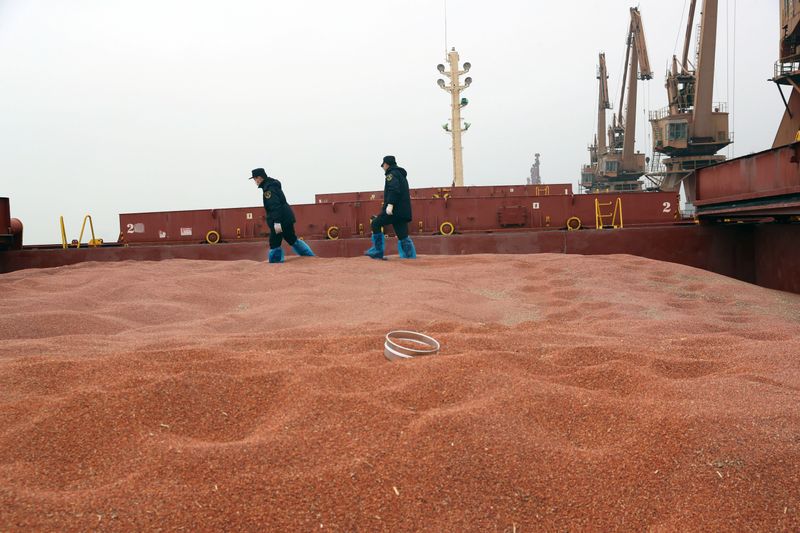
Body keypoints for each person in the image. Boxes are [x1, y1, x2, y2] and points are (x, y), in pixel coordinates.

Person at [249, 167, 314, 263]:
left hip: (280, 220)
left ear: (260, 178)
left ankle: (276, 263)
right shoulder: (273, 185)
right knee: (291, 238)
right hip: (287, 218)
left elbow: (274, 206)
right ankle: (309, 256)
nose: (255, 181)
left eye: (255, 179)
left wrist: (277, 222)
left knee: (274, 242)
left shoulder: (268, 189)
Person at [364, 155, 416, 260]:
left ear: (386, 164)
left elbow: (394, 190)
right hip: (402, 212)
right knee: (402, 235)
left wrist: (390, 205)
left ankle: (377, 251)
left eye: (383, 165)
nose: (383, 167)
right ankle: (409, 256)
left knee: (375, 223)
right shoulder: (400, 174)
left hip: (394, 211)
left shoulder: (391, 175)